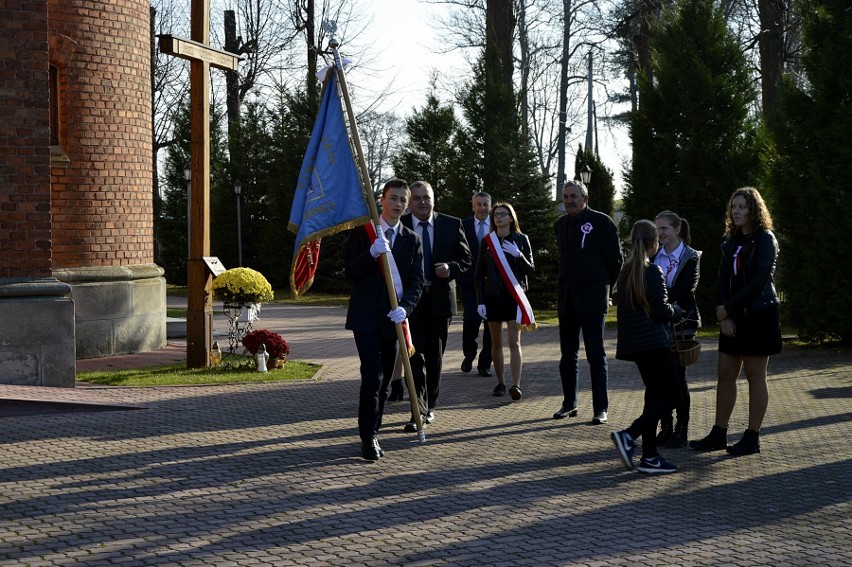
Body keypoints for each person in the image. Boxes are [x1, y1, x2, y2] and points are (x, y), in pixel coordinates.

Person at [690, 187, 781, 456]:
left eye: (742, 207)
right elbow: (722, 278)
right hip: (732, 316)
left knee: (755, 376)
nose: (737, 211)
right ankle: (719, 433)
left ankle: (752, 437)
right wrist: (726, 314)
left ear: (754, 210)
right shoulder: (731, 241)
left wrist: (728, 308)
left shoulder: (765, 239)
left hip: (759, 314)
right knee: (725, 374)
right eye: (734, 207)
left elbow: (759, 280)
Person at [344, 179, 424, 461]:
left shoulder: (411, 239)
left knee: (386, 382)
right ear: (382, 199)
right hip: (366, 317)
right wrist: (371, 253)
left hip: (393, 319)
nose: (399, 204)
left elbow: (417, 282)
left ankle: (373, 429)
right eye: (394, 198)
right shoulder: (363, 233)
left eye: (404, 200)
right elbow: (350, 272)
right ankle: (369, 437)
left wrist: (406, 307)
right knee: (373, 376)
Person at [611, 220, 684, 474]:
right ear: (655, 243)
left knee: (654, 397)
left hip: (637, 346)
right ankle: (629, 435)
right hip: (655, 344)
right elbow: (662, 311)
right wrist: (677, 311)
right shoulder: (652, 271)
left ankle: (650, 457)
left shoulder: (627, 271)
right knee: (675, 396)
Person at [399, 181, 471, 431]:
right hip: (411, 303)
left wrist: (451, 268)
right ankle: (417, 410)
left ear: (433, 200)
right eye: (416, 198)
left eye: (426, 198)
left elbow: (466, 259)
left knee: (434, 358)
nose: (422, 202)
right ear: (410, 202)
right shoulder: (401, 227)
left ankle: (430, 406)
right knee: (414, 357)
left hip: (440, 301)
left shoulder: (451, 224)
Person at [553, 180, 622, 424]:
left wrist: (605, 289)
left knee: (595, 354)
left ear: (585, 198)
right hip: (567, 299)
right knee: (567, 355)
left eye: (573, 196)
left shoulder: (602, 222)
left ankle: (600, 408)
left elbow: (615, 262)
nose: (569, 200)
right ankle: (569, 403)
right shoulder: (560, 225)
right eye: (565, 196)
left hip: (593, 300)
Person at [474, 202, 535, 400]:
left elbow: (531, 271)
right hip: (493, 297)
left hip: (514, 297)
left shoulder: (521, 239)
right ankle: (500, 382)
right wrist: (480, 301)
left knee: (514, 342)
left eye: (503, 214)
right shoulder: (487, 241)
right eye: (496, 215)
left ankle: (516, 385)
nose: (498, 217)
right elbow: (478, 275)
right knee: (496, 342)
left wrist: (518, 255)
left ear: (511, 218)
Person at [652, 210, 702, 448]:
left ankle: (682, 428)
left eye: (664, 229)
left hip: (682, 322)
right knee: (661, 378)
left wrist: (660, 303)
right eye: (657, 228)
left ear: (677, 230)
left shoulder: (691, 257)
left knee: (678, 378)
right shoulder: (654, 256)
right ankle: (666, 427)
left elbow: (684, 290)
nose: (660, 233)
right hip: (660, 323)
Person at [460, 191, 494, 377]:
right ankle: (469, 354)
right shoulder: (463, 226)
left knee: (491, 325)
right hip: (470, 283)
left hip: (491, 285)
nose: (482, 208)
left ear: (490, 206)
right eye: (478, 204)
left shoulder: (497, 225)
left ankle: (484, 363)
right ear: (473, 206)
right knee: (471, 321)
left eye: (485, 204)